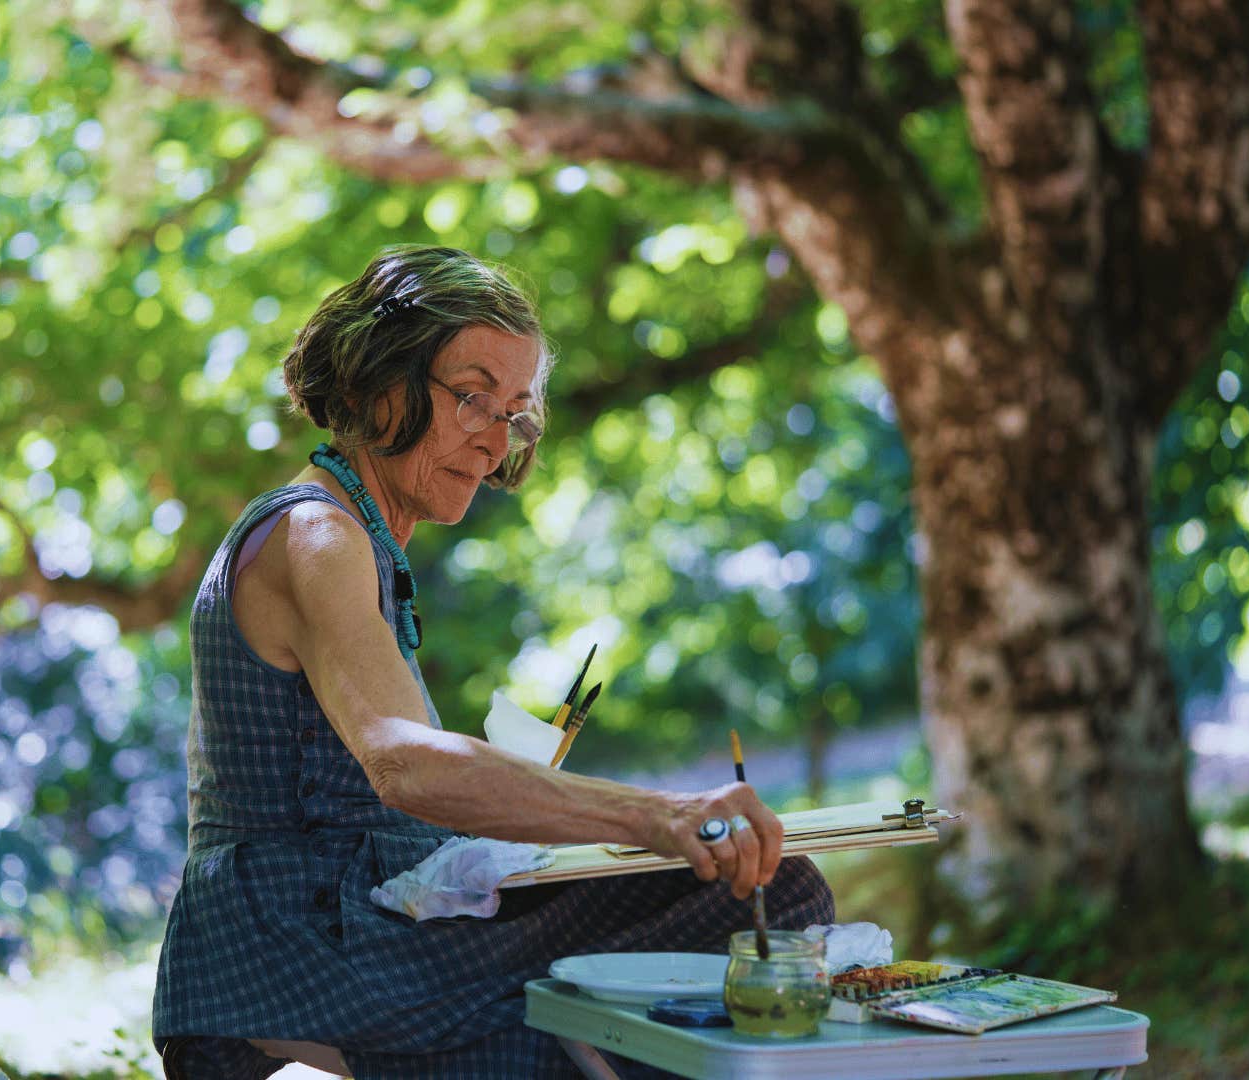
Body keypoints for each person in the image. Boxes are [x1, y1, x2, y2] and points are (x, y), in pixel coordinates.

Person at [150, 245, 834, 1078]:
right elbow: (402, 763)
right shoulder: (318, 535)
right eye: (473, 397)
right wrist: (655, 815)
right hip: (289, 941)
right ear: (378, 384)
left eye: (513, 411)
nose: (493, 440)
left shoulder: (357, 536)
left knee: (764, 892)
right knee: (769, 895)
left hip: (357, 920)